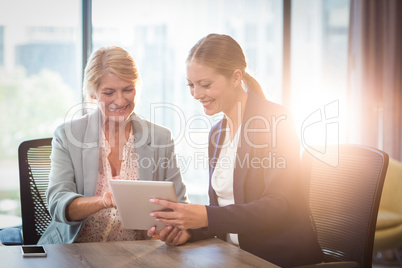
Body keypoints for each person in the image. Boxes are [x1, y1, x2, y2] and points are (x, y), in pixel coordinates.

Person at [147, 34, 323, 267]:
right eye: (191, 85)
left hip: (274, 258)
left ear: (236, 77)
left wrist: (207, 217)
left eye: (205, 84)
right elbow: (224, 212)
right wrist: (191, 231)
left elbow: (279, 205)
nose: (196, 94)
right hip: (230, 255)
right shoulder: (217, 134)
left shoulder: (275, 120)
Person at [38, 46, 188, 244]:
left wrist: (176, 233)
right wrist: (103, 201)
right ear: (93, 94)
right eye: (109, 92)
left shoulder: (160, 138)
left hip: (135, 253)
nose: (120, 100)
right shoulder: (68, 135)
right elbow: (58, 204)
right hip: (74, 251)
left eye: (128, 90)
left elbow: (181, 209)